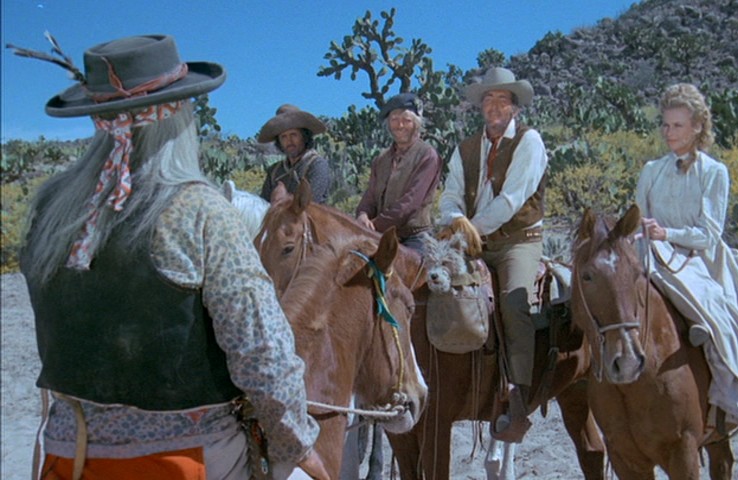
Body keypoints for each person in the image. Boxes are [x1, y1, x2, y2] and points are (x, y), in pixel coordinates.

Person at [15, 34, 329, 479]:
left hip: (69, 454)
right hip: (184, 460)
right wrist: (295, 442)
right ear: (178, 118)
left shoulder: (49, 210)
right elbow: (262, 353)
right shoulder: (198, 210)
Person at [635, 83, 738, 465]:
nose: (669, 132)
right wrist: (643, 232)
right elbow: (640, 215)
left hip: (700, 257)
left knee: (730, 316)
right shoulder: (651, 170)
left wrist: (667, 233)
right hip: (651, 251)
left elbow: (709, 234)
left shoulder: (714, 172)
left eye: (678, 125)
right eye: (665, 124)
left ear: (697, 127)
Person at [438, 67, 548, 443]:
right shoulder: (466, 148)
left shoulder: (529, 142)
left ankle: (519, 396)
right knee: (439, 289)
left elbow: (512, 200)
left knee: (514, 304)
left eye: (503, 99)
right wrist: (455, 219)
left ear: (515, 107)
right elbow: (450, 194)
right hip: (473, 240)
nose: (495, 105)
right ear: (481, 106)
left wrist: (470, 228)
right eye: (488, 98)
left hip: (518, 240)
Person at [355, 93, 442, 254]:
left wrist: (374, 225)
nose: (400, 125)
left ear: (416, 123)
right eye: (394, 119)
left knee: (414, 269)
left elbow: (411, 202)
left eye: (406, 120)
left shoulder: (427, 155)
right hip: (378, 233)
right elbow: (370, 196)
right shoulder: (381, 159)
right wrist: (362, 215)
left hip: (413, 235)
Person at [258, 104, 331, 203]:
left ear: (304, 136)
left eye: (293, 135)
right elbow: (263, 205)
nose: (289, 141)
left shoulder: (316, 165)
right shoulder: (274, 171)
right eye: (284, 137)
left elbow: (311, 203)